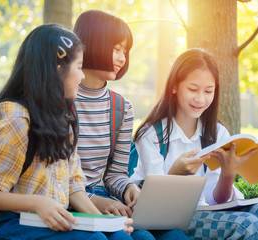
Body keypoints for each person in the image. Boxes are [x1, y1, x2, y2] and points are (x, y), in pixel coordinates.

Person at [0, 24, 133, 240]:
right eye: (79, 67)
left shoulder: (64, 121)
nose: (82, 76)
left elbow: (75, 188)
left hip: (47, 222)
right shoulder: (17, 123)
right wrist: (38, 203)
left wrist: (108, 225)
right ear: (58, 71)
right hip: (3, 224)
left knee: (120, 237)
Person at [131, 48, 258, 240]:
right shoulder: (151, 134)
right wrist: (176, 173)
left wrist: (228, 174)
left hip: (205, 211)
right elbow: (155, 203)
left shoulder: (217, 133)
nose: (200, 99)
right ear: (174, 86)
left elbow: (215, 199)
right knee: (249, 227)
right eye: (193, 89)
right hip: (168, 217)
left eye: (208, 91)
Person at [73, 10, 189, 240]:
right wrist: (94, 200)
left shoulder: (121, 108)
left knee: (173, 235)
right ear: (91, 44)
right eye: (116, 49)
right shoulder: (59, 102)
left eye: (125, 51)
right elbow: (54, 177)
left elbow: (115, 173)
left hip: (105, 197)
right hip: (68, 199)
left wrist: (129, 189)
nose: (122, 58)